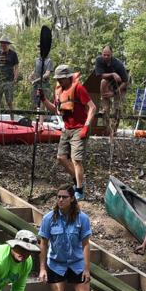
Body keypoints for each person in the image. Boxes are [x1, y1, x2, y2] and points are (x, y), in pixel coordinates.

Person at [38, 185, 97, 291]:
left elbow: (86, 244)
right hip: (56, 263)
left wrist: (86, 268)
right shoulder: (49, 218)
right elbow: (43, 243)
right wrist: (42, 268)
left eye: (64, 197)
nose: (60, 200)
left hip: (76, 262)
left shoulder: (82, 218)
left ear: (72, 199)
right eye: (58, 197)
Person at [43, 64, 96, 200]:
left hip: (80, 128)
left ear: (68, 77)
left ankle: (79, 190)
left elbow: (92, 107)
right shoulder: (60, 91)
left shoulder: (78, 88)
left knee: (76, 160)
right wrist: (43, 99)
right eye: (58, 78)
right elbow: (56, 110)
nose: (59, 81)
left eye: (62, 78)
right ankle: (77, 182)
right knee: (61, 158)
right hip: (67, 129)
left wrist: (86, 125)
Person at [94, 46, 129, 137]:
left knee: (118, 109)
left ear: (111, 54)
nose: (105, 57)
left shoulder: (118, 64)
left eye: (108, 55)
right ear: (102, 54)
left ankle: (114, 131)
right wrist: (113, 74)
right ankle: (107, 128)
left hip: (120, 86)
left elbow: (125, 82)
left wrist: (114, 93)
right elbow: (100, 75)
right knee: (103, 82)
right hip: (108, 84)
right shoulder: (99, 60)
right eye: (104, 55)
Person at [0, 37, 19, 118]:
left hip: (9, 81)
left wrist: (15, 78)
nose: (3, 45)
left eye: (4, 43)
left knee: (9, 102)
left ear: (8, 44)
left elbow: (16, 67)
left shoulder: (13, 54)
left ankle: (12, 120)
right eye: (2, 43)